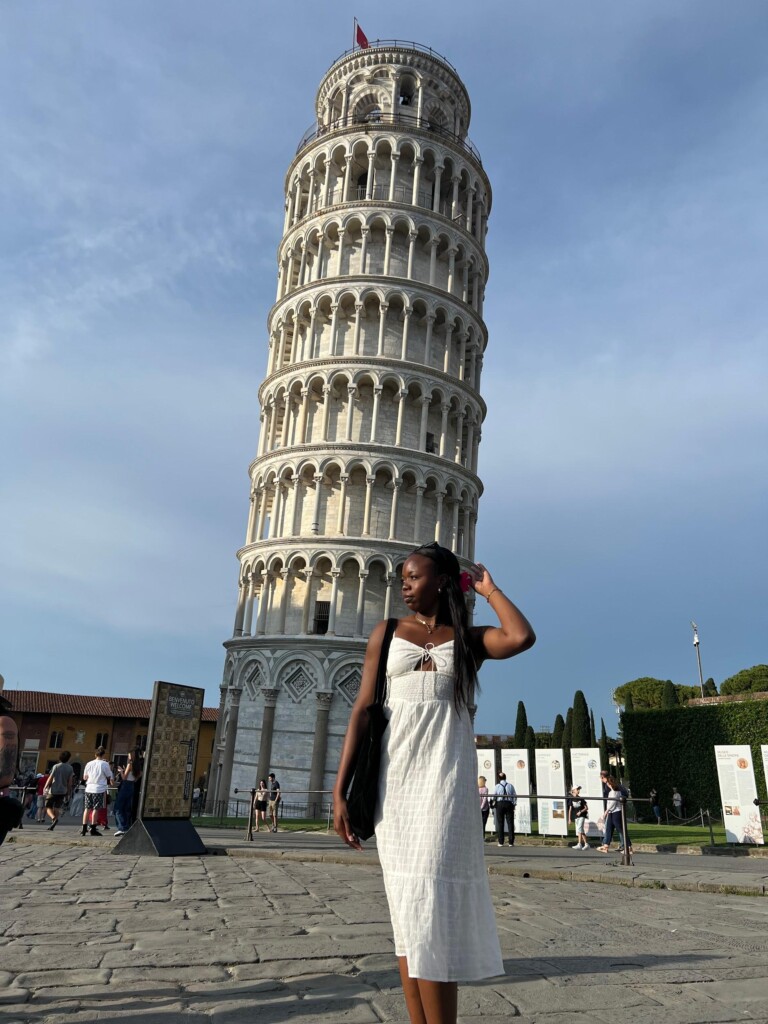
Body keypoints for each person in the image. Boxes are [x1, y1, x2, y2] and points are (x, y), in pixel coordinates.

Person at [333, 543, 535, 1024]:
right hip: (395, 790)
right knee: (408, 915)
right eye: (402, 577)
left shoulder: (466, 640)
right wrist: (339, 792)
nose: (404, 584)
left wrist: (488, 590)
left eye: (415, 576)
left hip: (444, 789)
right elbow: (362, 709)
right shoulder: (385, 634)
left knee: (432, 914)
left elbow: (521, 636)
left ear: (442, 581)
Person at [81, 746, 114, 837]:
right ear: (103, 755)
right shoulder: (104, 764)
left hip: (89, 788)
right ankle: (93, 828)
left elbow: (85, 777)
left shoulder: (89, 763)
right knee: (96, 808)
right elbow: (108, 775)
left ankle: (84, 829)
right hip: (99, 789)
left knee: (87, 808)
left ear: (95, 754)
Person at [597, 776, 631, 854]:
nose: (607, 785)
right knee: (609, 828)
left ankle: (629, 847)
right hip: (611, 812)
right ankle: (605, 846)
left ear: (610, 783)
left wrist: (606, 811)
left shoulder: (616, 792)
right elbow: (609, 803)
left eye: (608, 783)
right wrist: (608, 811)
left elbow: (613, 803)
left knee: (621, 830)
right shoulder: (611, 792)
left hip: (616, 812)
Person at [113, 748, 142, 837]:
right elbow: (139, 775)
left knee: (118, 807)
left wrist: (121, 771)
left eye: (129, 754)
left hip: (125, 785)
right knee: (127, 807)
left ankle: (122, 827)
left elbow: (124, 777)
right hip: (132, 785)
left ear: (132, 755)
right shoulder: (138, 765)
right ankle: (127, 826)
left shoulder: (130, 764)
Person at [44, 751, 74, 830]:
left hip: (54, 790)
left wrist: (45, 786)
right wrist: (68, 792)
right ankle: (52, 824)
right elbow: (70, 782)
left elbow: (50, 777)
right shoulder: (70, 768)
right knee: (57, 807)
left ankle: (53, 818)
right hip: (63, 791)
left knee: (48, 806)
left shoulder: (56, 766)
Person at [493, 771, 516, 847]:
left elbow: (493, 796)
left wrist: (493, 802)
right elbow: (514, 795)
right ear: (505, 777)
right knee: (510, 822)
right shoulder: (510, 786)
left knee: (500, 823)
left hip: (500, 803)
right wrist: (513, 803)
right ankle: (511, 842)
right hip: (509, 803)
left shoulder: (497, 786)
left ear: (499, 778)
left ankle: (501, 842)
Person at [568, 785, 589, 849]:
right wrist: (569, 819)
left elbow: (586, 808)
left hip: (582, 816)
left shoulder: (581, 799)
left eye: (579, 789)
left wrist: (581, 812)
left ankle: (579, 844)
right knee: (580, 830)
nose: (579, 791)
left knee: (579, 828)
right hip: (576, 817)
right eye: (577, 789)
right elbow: (570, 809)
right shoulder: (571, 799)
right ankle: (586, 844)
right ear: (574, 790)